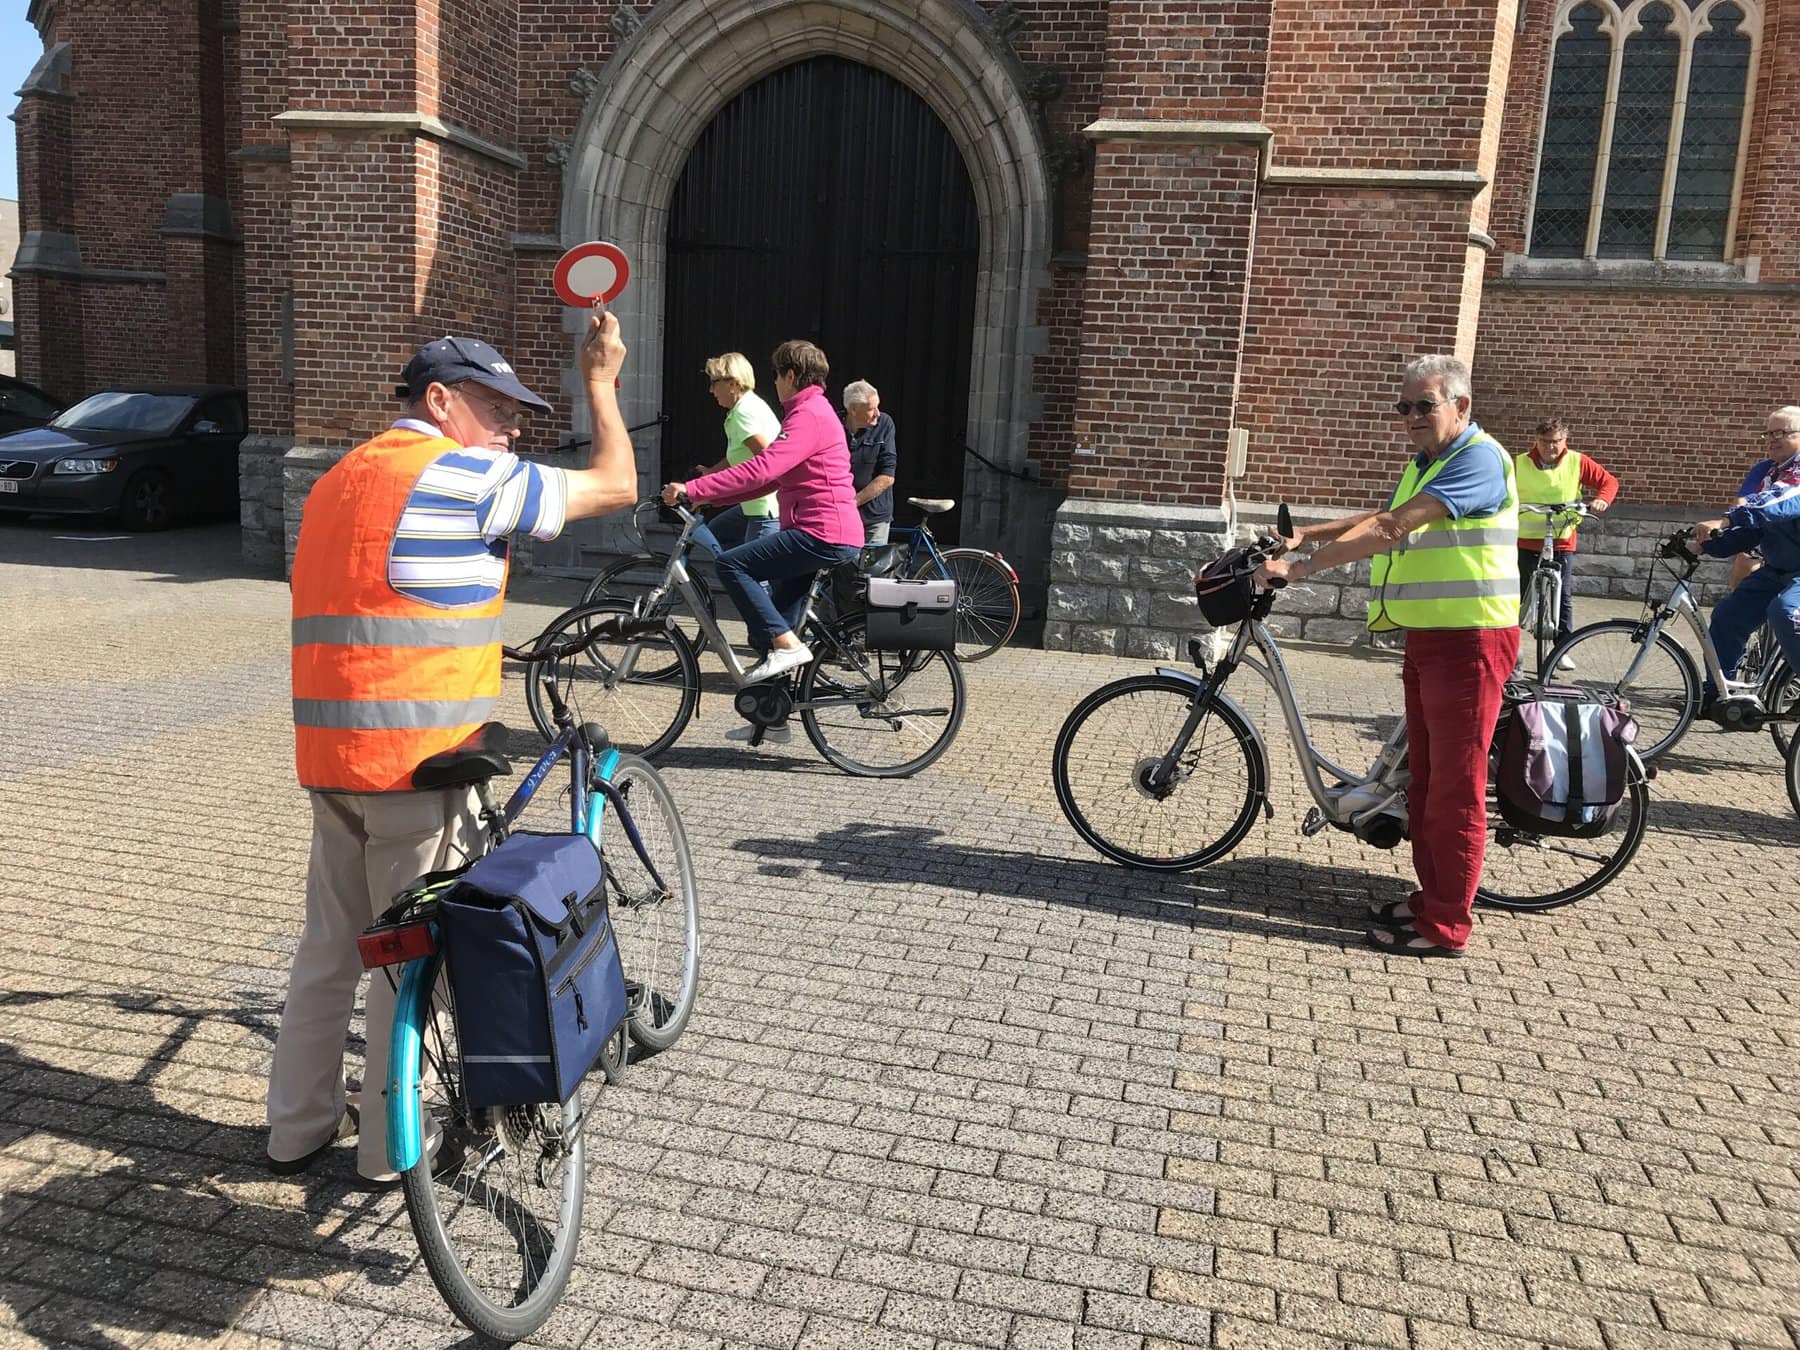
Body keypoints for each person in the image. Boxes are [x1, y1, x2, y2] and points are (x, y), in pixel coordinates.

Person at [268, 314, 636, 1185]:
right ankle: (388, 1156)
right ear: (439, 400)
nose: (512, 427)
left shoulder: (335, 482)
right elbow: (617, 484)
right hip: (421, 764)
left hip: (331, 756)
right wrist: (601, 382)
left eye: (516, 411)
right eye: (495, 405)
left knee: (328, 950)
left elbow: (381, 599)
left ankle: (295, 1128)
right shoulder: (464, 475)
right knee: (408, 963)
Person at [1257, 355, 1518, 959]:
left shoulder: (1478, 459)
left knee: (1455, 787)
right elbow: (1380, 517)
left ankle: (1447, 925)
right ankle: (1429, 901)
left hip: (1472, 640)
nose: (1411, 417)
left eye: (1424, 405)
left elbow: (1396, 528)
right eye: (1404, 407)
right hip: (1432, 638)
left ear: (1461, 406)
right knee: (1423, 781)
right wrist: (1307, 535)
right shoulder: (1430, 461)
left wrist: (1297, 571)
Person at [661, 340, 864, 740]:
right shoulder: (810, 412)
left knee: (731, 564)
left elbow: (761, 468)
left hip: (821, 533)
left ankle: (788, 647)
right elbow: (769, 480)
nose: (774, 382)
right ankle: (772, 722)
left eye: (776, 374)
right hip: (817, 530)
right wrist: (705, 496)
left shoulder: (809, 415)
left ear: (790, 375)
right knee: (777, 622)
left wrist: (693, 486)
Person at [1691, 405, 1800, 705]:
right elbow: (1756, 529)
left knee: (1785, 612)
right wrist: (1709, 542)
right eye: (1769, 433)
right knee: (1727, 617)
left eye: (1782, 432)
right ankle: (1720, 694)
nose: (1772, 439)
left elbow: (1777, 503)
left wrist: (1726, 520)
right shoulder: (1768, 471)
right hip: (1776, 569)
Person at [1514, 416, 1618, 660]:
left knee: (1564, 595)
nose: (1551, 447)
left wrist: (1602, 499)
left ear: (1565, 440)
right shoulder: (1519, 463)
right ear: (1536, 440)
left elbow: (1608, 481)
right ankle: (1510, 648)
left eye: (1556, 441)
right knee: (1517, 594)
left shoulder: (1576, 461)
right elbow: (1500, 488)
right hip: (1526, 539)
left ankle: (1562, 649)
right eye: (1545, 441)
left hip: (1561, 538)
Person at [689, 352, 782, 557]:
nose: (711, 390)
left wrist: (710, 491)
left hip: (765, 508)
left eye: (715, 382)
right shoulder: (744, 407)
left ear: (732, 383)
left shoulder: (743, 413)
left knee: (753, 575)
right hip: (754, 504)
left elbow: (768, 461)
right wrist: (712, 472)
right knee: (714, 532)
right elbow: (740, 455)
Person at [844, 380, 897, 545]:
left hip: (874, 516)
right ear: (853, 409)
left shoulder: (884, 424)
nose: (877, 413)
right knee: (842, 568)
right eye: (871, 409)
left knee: (871, 570)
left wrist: (853, 502)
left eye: (878, 406)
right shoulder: (834, 425)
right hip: (841, 517)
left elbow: (887, 476)